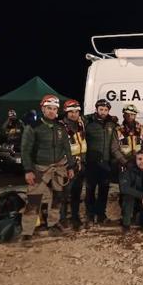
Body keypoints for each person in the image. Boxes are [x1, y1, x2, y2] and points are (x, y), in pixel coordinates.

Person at [20, 95, 75, 241]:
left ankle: (53, 224)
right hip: (39, 168)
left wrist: (70, 166)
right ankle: (27, 231)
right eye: (49, 108)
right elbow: (25, 150)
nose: (52, 111)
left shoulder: (60, 127)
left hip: (58, 167)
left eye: (54, 109)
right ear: (43, 109)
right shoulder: (33, 127)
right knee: (33, 200)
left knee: (57, 197)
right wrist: (28, 170)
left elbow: (66, 148)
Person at [84, 99, 119, 225]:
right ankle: (89, 215)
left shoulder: (112, 123)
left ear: (108, 110)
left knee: (104, 191)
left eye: (105, 110)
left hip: (106, 162)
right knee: (90, 190)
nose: (103, 112)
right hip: (92, 162)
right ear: (96, 109)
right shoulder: (88, 121)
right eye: (101, 109)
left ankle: (101, 215)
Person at [59, 99, 87, 231]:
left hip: (81, 163)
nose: (74, 114)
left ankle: (75, 217)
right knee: (65, 193)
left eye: (76, 112)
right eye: (71, 112)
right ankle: (62, 218)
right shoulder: (61, 126)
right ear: (66, 112)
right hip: (67, 164)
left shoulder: (81, 123)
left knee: (77, 193)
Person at [111, 104, 143, 170]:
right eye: (127, 114)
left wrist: (141, 160)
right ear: (123, 115)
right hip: (123, 164)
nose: (130, 116)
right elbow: (114, 149)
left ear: (135, 116)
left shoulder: (142, 130)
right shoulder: (118, 130)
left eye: (132, 114)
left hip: (139, 164)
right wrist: (125, 162)